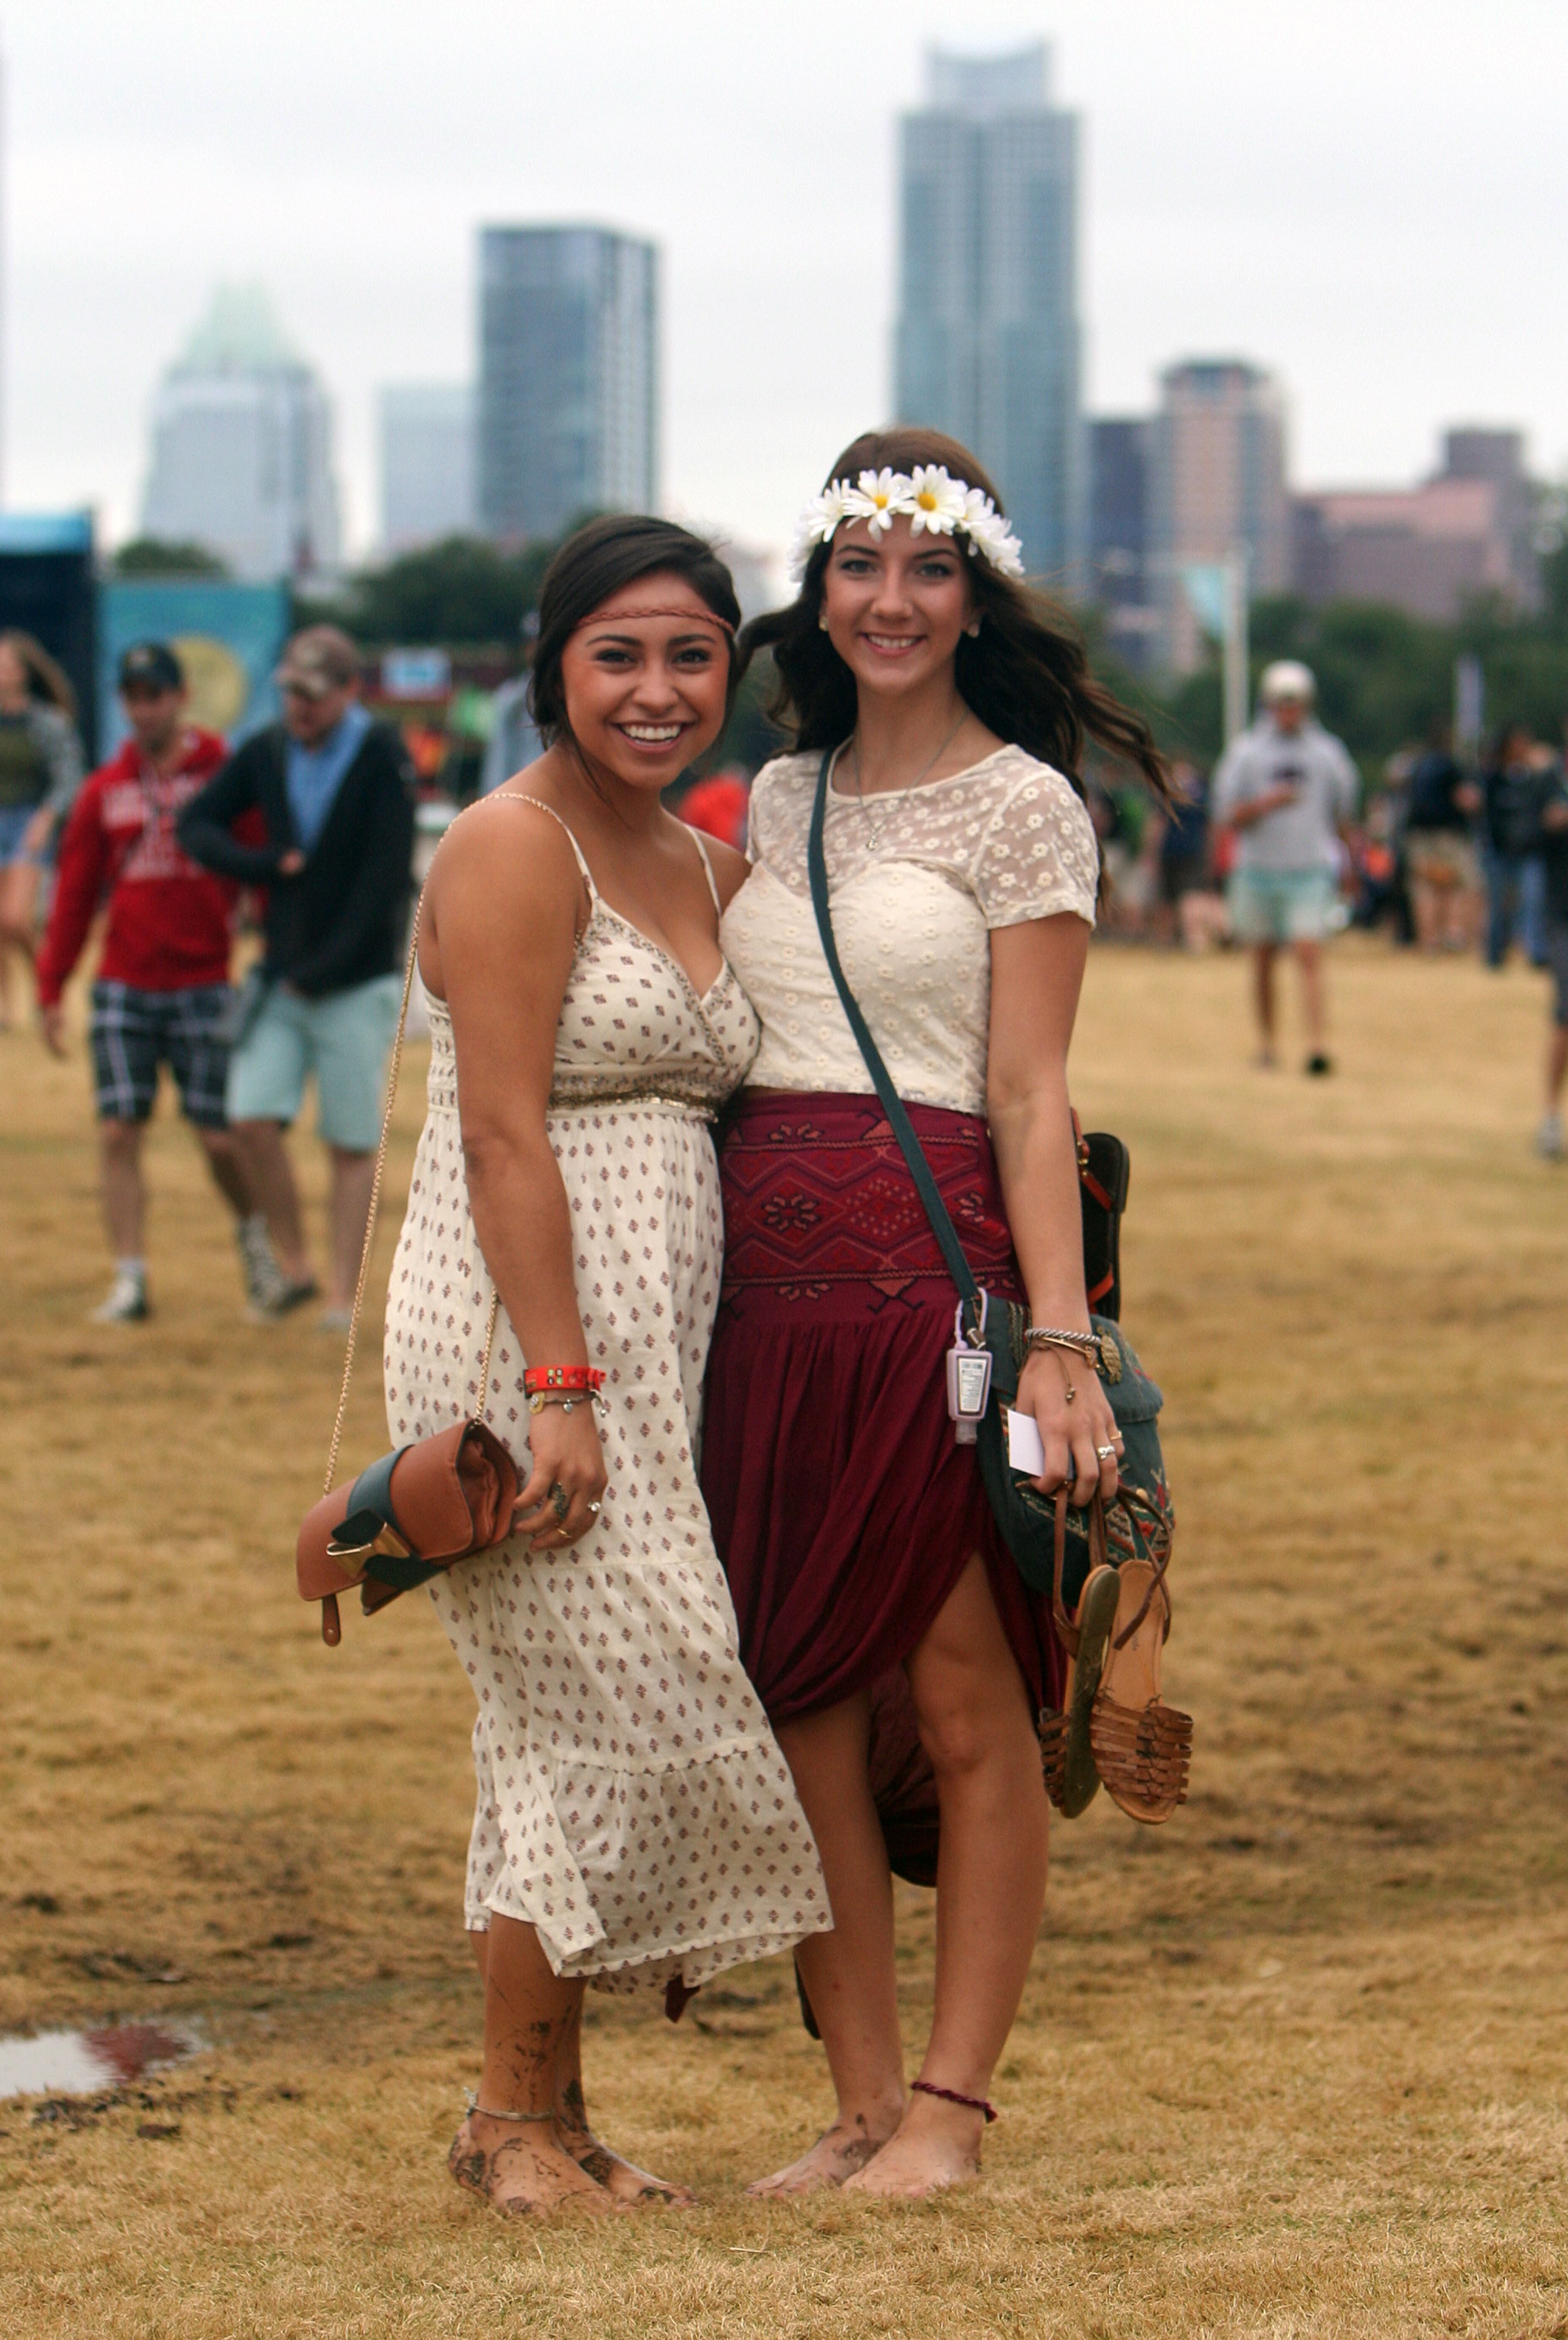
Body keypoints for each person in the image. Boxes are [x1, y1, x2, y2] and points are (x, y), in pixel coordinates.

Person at [699, 428, 1172, 2201]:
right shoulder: (779, 795)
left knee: (969, 1702)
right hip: (767, 1302)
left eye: (929, 568)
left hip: (938, 1294)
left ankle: (952, 2110)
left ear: (976, 598)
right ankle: (855, 2101)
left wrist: (1060, 1337)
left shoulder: (1024, 804)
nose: (890, 600)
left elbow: (1032, 1093)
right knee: (805, 1700)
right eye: (860, 565)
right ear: (819, 588)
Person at [382, 514, 826, 2215]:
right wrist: (559, 1389)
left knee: (552, 1719)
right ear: (553, 667)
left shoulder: (708, 867)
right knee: (611, 1704)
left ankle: (537, 2120)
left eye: (691, 655)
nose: (657, 689)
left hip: (660, 1342)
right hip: (524, 1339)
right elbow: (501, 1135)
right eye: (617, 654)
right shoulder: (514, 845)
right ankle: (514, 2114)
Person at [35, 642, 292, 1324]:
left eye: (155, 695)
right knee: (118, 1131)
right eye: (133, 697)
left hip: (205, 979)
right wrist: (52, 985)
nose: (144, 709)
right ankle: (130, 1277)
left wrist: (275, 948)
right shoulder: (105, 790)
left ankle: (257, 1246)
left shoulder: (225, 777)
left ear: (180, 698)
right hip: (124, 981)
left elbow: (263, 861)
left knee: (219, 1138)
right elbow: (75, 893)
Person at [178, 627, 415, 1329]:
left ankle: (343, 1296)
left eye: (313, 695)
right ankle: (297, 1267)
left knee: (349, 1143)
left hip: (355, 980)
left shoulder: (383, 756)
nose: (299, 707)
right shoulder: (268, 748)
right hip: (282, 977)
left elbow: (384, 882)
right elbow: (197, 823)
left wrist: (327, 968)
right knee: (250, 1118)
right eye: (291, 693)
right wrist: (261, 865)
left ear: (349, 691)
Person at [1212, 660, 1359, 1074]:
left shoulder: (1328, 754)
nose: (1289, 711)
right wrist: (1266, 804)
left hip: (1309, 868)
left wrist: (1350, 866)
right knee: (1261, 957)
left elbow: (1344, 814)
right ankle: (1267, 1044)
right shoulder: (1246, 753)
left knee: (1309, 952)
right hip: (1257, 869)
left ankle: (1317, 1044)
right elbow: (1226, 813)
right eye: (1282, 702)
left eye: (1295, 703)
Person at [0, 631, 83, 1031]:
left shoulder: (50, 723)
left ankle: (43, 985)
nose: (0, 675)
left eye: (8, 667)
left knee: (14, 919)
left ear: (25, 673)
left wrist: (47, 817)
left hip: (30, 820)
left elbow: (69, 778)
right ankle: (3, 1009)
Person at [1480, 725, 1554, 970]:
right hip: (1500, 850)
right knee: (1499, 905)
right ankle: (1495, 951)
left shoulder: (1536, 778)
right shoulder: (1494, 778)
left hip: (1530, 850)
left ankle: (1537, 952)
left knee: (1533, 901)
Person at [1401, 725, 1481, 952]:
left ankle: (1428, 939)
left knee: (1425, 887)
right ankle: (1454, 933)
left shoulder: (1418, 766)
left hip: (1418, 835)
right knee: (1460, 883)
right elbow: (1465, 800)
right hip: (1449, 835)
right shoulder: (1451, 767)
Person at [1532, 750, 1568, 1158]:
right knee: (1566, 1015)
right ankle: (1551, 1118)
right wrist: (1550, 824)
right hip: (1564, 914)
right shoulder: (1549, 782)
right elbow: (1520, 838)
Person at [1151, 759, 1222, 951]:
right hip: (1192, 851)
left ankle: (1168, 940)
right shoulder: (1202, 794)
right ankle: (1194, 940)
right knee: (1187, 897)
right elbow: (1210, 827)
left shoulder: (1167, 792)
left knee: (1173, 898)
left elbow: (1158, 825)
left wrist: (1152, 853)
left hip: (1173, 851)